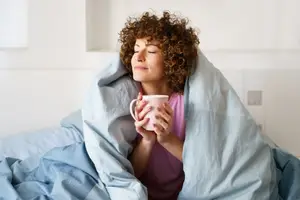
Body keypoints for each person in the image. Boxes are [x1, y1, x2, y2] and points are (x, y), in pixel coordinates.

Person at [119, 11, 199, 200]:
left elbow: (201, 166)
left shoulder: (186, 102)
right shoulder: (127, 99)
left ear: (172, 60)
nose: (139, 56)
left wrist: (167, 139)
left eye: (151, 51)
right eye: (136, 49)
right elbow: (130, 175)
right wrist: (147, 141)